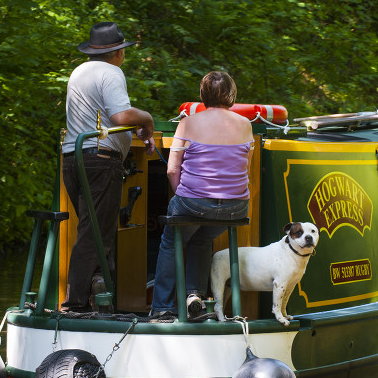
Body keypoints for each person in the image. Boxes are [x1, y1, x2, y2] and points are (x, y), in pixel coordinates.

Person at [61, 22, 155, 313]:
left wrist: (131, 130)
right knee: (96, 236)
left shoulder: (79, 72)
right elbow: (120, 115)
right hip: (100, 163)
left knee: (97, 233)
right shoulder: (111, 72)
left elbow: (99, 118)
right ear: (116, 53)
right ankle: (75, 306)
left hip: (72, 160)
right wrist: (147, 120)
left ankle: (103, 301)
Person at [150, 71, 253, 318]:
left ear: (203, 95)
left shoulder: (188, 123)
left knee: (170, 241)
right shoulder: (245, 125)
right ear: (231, 95)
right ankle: (194, 297)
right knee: (202, 237)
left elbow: (172, 169)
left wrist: (184, 198)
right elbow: (244, 168)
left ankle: (162, 308)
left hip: (194, 204)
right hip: (236, 208)